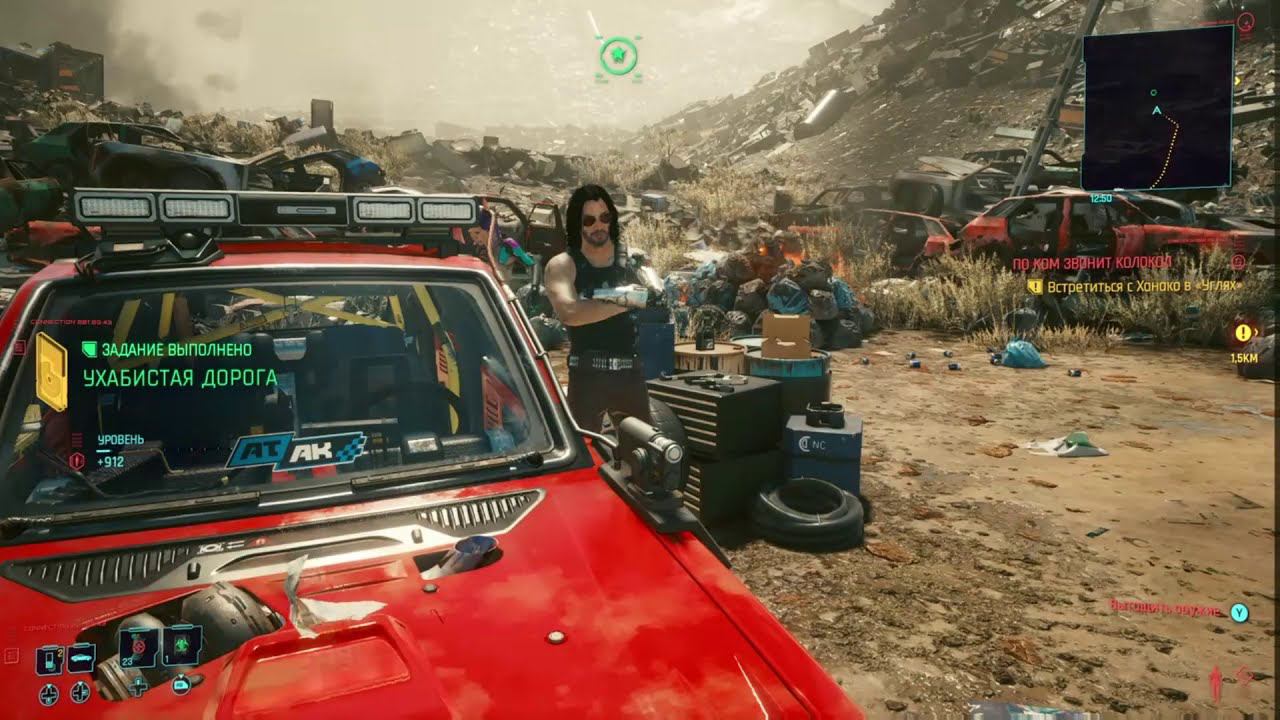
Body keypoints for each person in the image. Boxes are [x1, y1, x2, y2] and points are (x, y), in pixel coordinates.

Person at [544, 184, 652, 433]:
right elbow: (570, 313)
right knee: (584, 449)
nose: (599, 225)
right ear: (578, 223)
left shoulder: (631, 260)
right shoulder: (563, 265)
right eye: (589, 220)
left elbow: (654, 297)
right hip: (587, 376)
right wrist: (626, 301)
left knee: (646, 450)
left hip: (631, 374)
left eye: (604, 217)